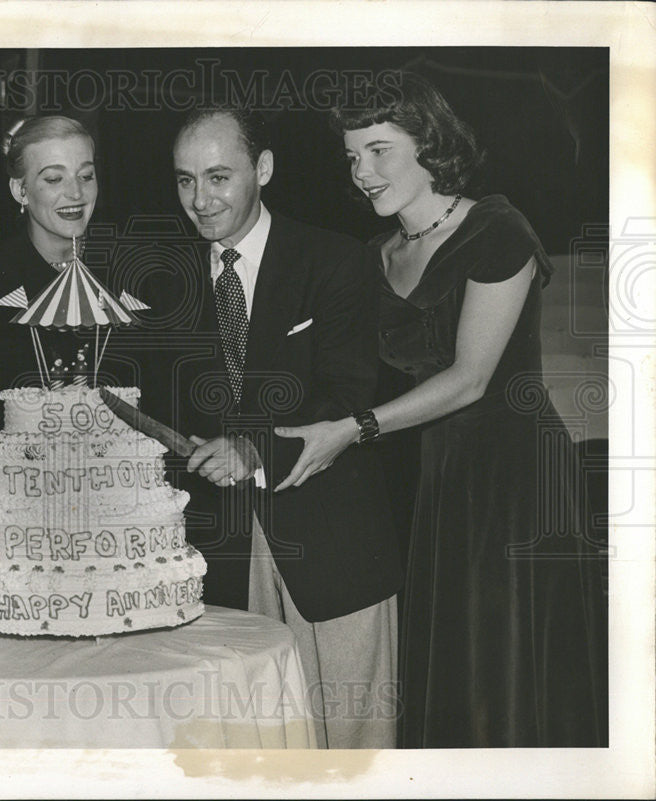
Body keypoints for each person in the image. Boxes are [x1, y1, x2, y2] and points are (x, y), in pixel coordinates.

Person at [277, 72, 607, 747]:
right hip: (433, 477)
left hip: (515, 475)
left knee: (505, 658)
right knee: (453, 659)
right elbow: (354, 374)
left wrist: (354, 428)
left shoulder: (496, 228)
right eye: (350, 156)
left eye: (378, 150)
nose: (361, 172)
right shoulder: (377, 257)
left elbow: (469, 379)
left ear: (429, 146)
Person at [165, 107, 402, 748]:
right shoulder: (168, 282)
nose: (200, 200)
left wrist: (253, 449)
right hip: (226, 556)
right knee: (260, 743)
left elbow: (349, 394)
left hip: (334, 543)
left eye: (218, 177)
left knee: (357, 743)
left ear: (263, 169)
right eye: (185, 180)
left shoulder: (336, 259)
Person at [0, 116, 131, 505]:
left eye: (86, 176)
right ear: (20, 189)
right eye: (53, 179)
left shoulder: (129, 273)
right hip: (21, 506)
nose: (75, 193)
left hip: (121, 504)